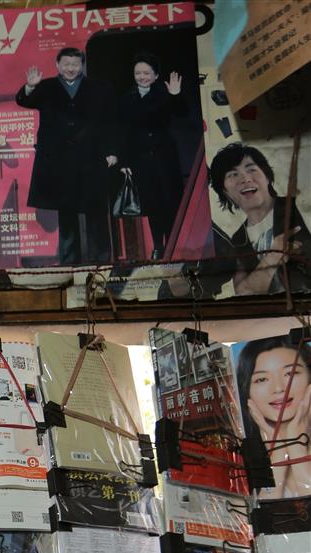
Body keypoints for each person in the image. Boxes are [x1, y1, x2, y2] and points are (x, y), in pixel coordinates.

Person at [15, 47, 118, 267]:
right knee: (66, 212)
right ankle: (70, 261)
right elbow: (24, 101)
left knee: (96, 211)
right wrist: (31, 86)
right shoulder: (46, 87)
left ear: (82, 65)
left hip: (91, 157)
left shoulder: (98, 88)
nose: (71, 68)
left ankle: (101, 259)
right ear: (57, 65)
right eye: (66, 64)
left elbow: (109, 123)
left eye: (75, 64)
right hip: (60, 162)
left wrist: (111, 151)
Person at [208, 143, 311, 296]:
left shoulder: (300, 207)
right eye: (232, 174)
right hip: (271, 318)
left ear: (267, 176)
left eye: (251, 169)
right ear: (224, 191)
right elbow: (244, 294)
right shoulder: (237, 240)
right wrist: (273, 257)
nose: (245, 178)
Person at [117, 54, 186, 259]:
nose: (142, 77)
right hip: (140, 160)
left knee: (170, 202)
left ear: (156, 75)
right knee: (152, 204)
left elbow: (183, 113)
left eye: (147, 73)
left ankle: (173, 245)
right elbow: (122, 132)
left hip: (165, 157)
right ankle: (158, 247)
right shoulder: (125, 98)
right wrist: (124, 161)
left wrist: (175, 94)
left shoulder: (165, 94)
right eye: (138, 73)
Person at [235, 334, 311, 499]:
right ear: (246, 391)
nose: (278, 388)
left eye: (290, 374)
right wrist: (277, 454)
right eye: (262, 379)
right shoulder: (241, 459)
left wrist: (297, 448)